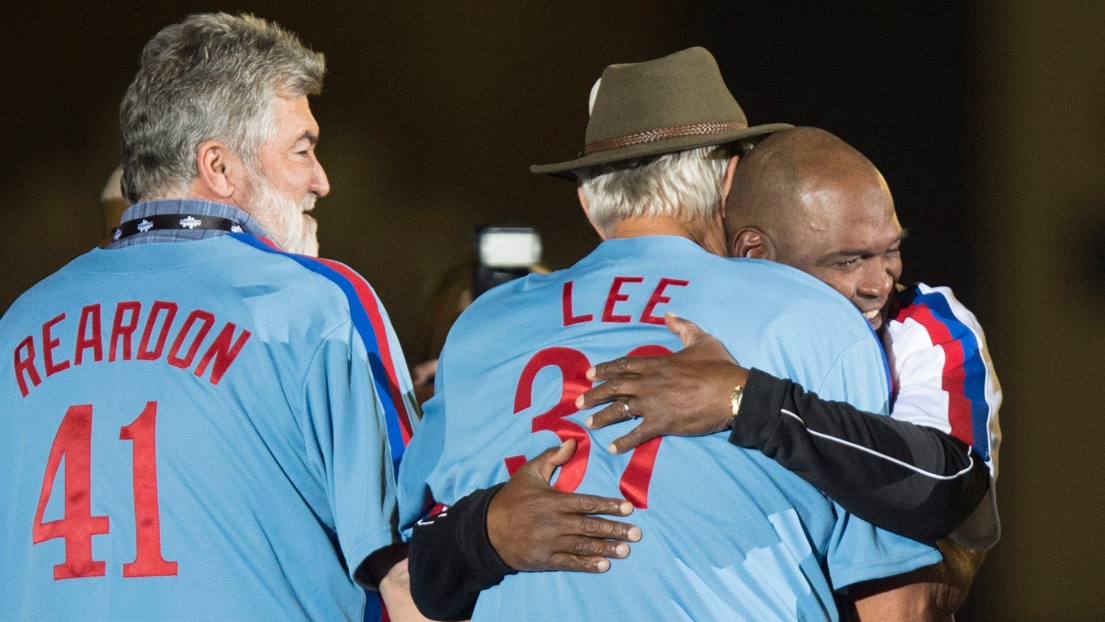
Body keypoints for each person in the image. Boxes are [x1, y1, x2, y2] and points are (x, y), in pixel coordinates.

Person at [398, 47, 943, 621]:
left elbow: (417, 553)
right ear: (731, 179)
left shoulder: (482, 325)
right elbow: (891, 590)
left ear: (588, 200)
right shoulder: (809, 313)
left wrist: (482, 531)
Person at [0, 14, 423, 621]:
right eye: (302, 150)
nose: (320, 181)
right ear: (219, 167)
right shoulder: (316, 304)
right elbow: (417, 576)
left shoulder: (16, 326)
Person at [580, 127, 1001, 551]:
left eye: (890, 251)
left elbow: (965, 513)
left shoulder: (924, 325)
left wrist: (748, 401)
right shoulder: (668, 319)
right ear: (756, 254)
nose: (879, 285)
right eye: (848, 261)